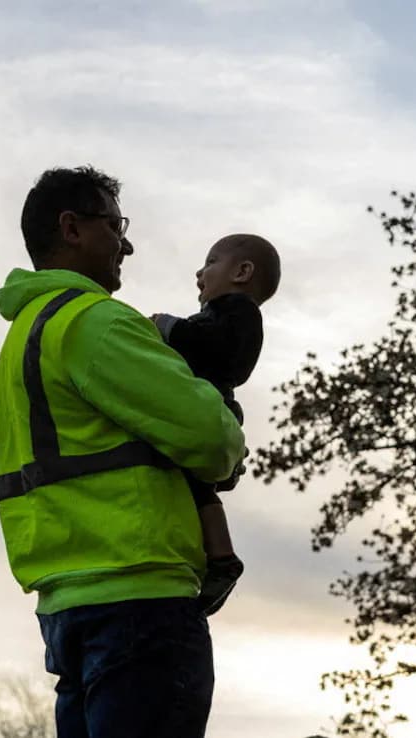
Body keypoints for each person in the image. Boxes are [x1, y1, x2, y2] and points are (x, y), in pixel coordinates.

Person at [0, 165, 245, 738]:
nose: (126, 242)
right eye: (115, 224)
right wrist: (225, 418)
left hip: (67, 607)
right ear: (72, 227)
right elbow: (214, 441)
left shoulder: (25, 335)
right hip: (141, 602)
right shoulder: (96, 324)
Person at [150, 233, 281, 616]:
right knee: (195, 490)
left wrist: (169, 328)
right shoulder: (219, 315)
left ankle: (222, 557)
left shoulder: (238, 313)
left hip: (214, 408)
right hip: (201, 408)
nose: (199, 272)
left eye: (210, 262)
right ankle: (215, 555)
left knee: (199, 488)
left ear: (242, 272)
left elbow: (225, 355)